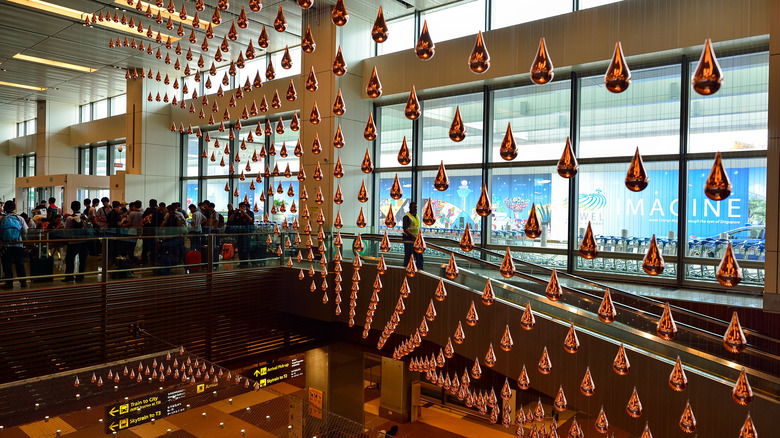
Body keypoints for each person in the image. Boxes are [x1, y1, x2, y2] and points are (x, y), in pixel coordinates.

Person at [1, 200, 28, 289]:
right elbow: (25, 231)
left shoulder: (2, 218)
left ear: (5, 208)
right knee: (19, 263)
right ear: (14, 208)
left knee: (7, 264)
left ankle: (9, 283)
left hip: (6, 245)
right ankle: (23, 282)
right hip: (18, 245)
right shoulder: (20, 218)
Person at [62, 200, 90, 283]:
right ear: (80, 207)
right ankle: (80, 276)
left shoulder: (70, 218)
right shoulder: (84, 217)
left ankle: (69, 277)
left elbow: (67, 230)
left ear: (71, 208)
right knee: (83, 259)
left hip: (73, 241)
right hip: (84, 241)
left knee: (70, 259)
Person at [402, 202, 423, 270]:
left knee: (419, 258)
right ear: (410, 208)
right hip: (409, 240)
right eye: (414, 207)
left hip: (416, 241)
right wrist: (413, 237)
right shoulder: (407, 217)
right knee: (409, 257)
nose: (415, 208)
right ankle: (407, 270)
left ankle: (419, 271)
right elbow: (405, 229)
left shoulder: (416, 217)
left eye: (416, 207)